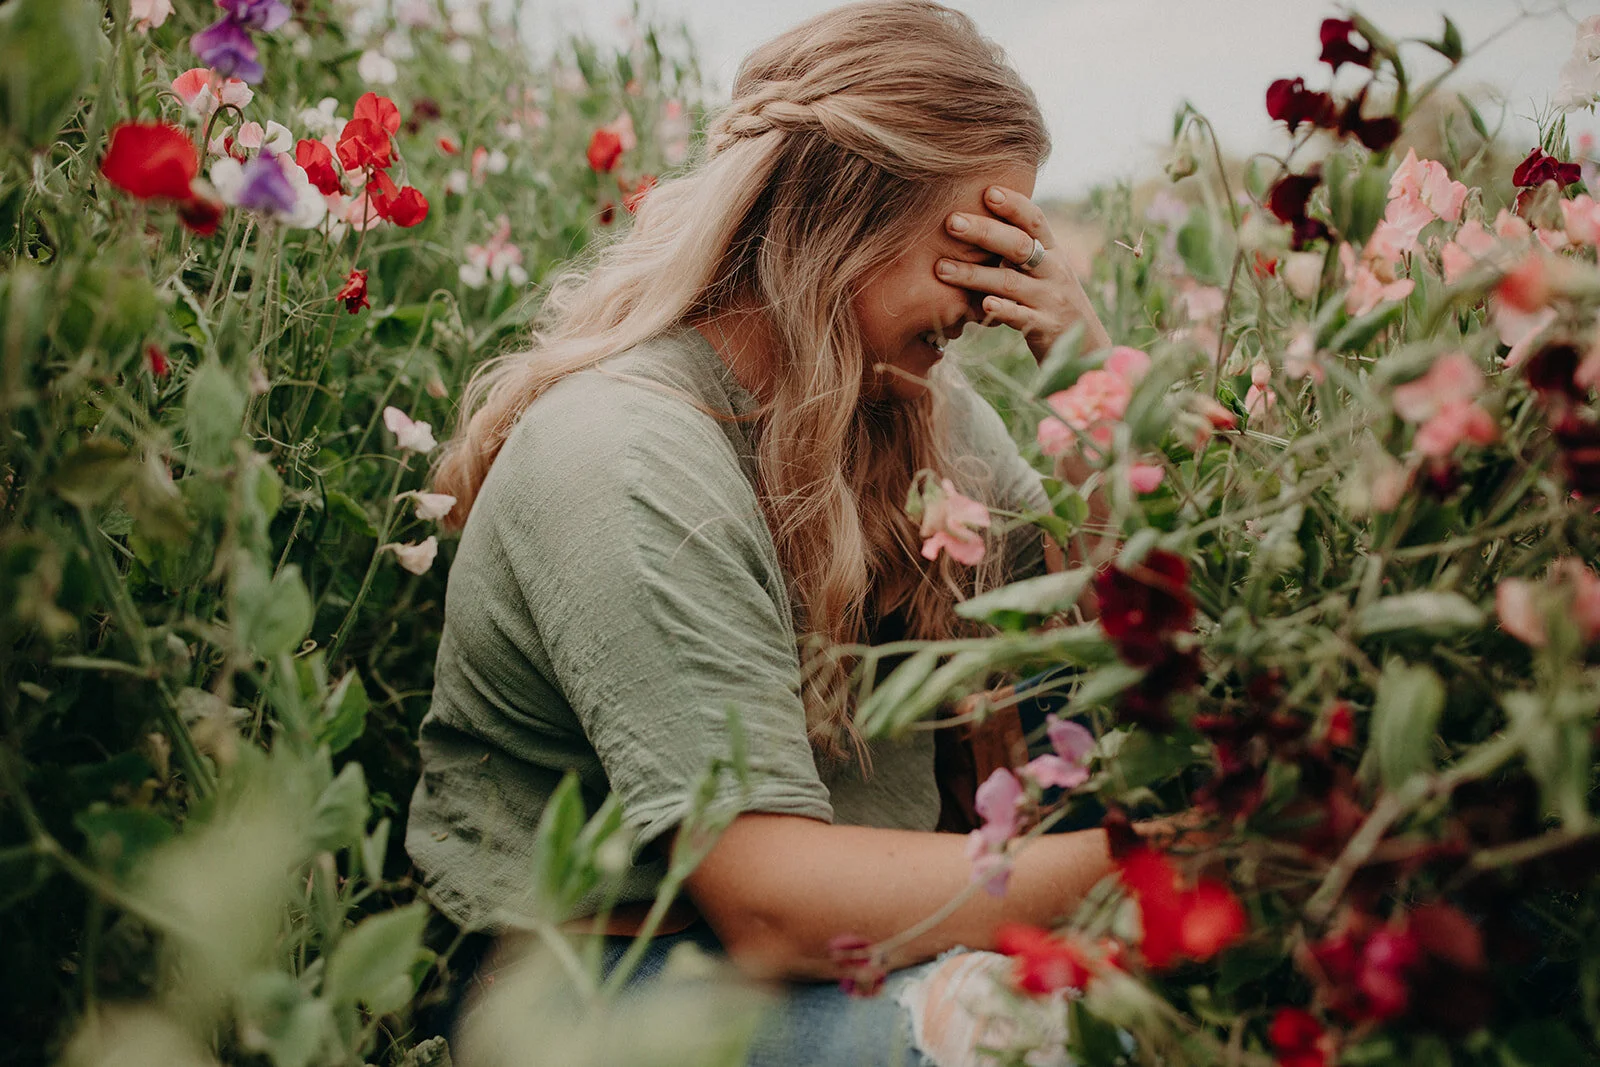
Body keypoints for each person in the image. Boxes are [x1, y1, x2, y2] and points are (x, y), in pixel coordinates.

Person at [407, 3, 1145, 1063]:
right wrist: (1151, 873)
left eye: (1015, 254)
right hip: (597, 978)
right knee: (1030, 1037)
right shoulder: (623, 449)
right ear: (839, 218)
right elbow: (769, 901)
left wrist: (1100, 402)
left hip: (832, 951)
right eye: (973, 247)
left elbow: (1112, 655)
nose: (991, 303)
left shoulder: (912, 409)